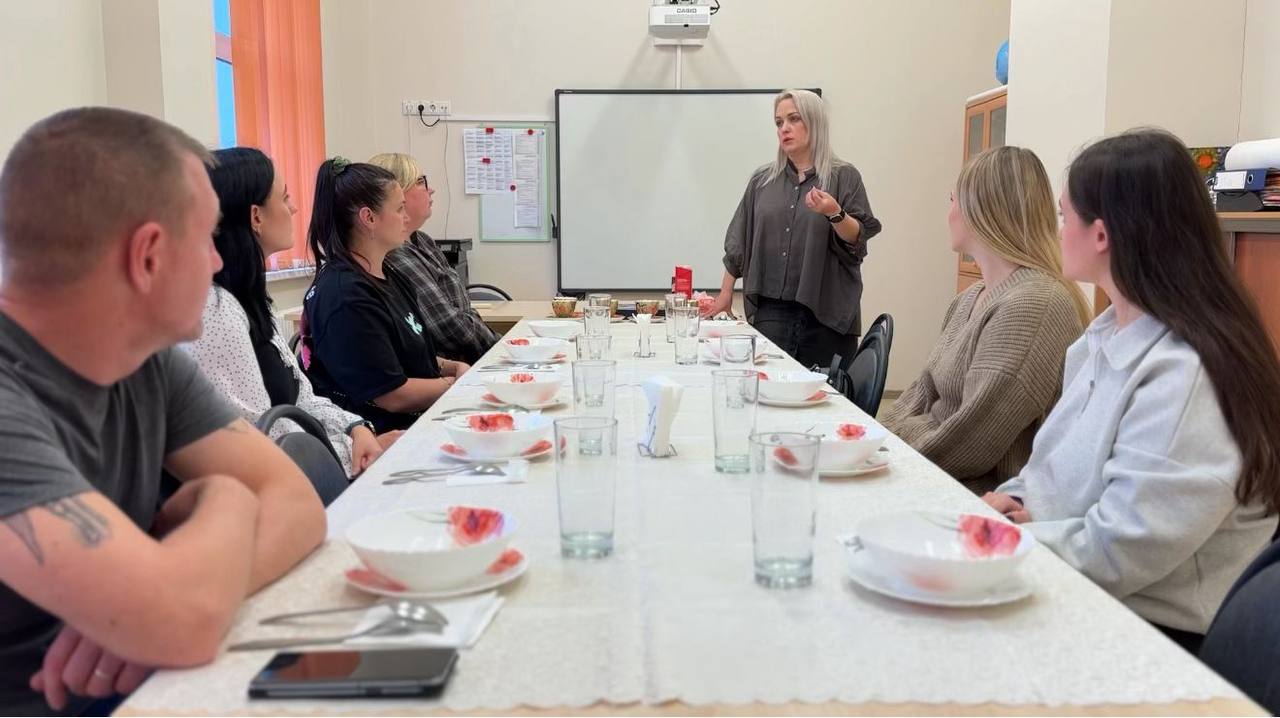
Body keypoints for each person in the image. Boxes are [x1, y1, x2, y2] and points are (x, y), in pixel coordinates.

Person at [0, 108, 326, 715]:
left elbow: (298, 505)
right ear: (148, 255)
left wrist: (167, 604)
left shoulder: (142, 357)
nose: (218, 262)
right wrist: (225, 497)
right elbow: (183, 621)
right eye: (204, 238)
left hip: (155, 685)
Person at [984, 129, 1280, 650]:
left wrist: (1007, 541)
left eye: (1063, 215)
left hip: (1148, 633)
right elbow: (1047, 474)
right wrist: (1010, 503)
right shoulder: (1098, 341)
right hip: (1078, 586)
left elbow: (1122, 548)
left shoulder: (1187, 373)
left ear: (1101, 235)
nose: (1057, 230)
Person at [880, 147, 1089, 493]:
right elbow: (920, 393)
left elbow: (970, 442)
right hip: (931, 476)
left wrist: (887, 456)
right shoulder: (968, 299)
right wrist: (875, 439)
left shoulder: (1034, 304)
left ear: (982, 210)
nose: (947, 214)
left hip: (976, 500)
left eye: (952, 200)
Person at [183, 148, 401, 478]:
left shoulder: (251, 300)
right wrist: (357, 452)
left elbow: (303, 397)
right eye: (284, 199)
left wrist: (358, 429)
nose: (294, 208)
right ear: (256, 217)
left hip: (314, 466)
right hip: (274, 491)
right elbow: (262, 436)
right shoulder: (215, 312)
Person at [705, 88, 882, 369]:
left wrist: (834, 213)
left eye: (793, 119)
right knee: (766, 392)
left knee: (824, 403)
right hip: (771, 313)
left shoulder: (844, 176)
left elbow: (857, 239)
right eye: (778, 122)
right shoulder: (762, 181)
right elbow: (739, 240)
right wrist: (726, 293)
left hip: (826, 316)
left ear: (814, 122)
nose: (784, 128)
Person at [300, 158, 469, 432]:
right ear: (369, 218)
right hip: (383, 437)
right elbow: (393, 395)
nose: (406, 217)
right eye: (400, 208)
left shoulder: (391, 276)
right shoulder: (346, 296)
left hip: (418, 421)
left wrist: (452, 367)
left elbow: (405, 355)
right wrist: (457, 384)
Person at [368, 152, 498, 364]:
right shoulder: (394, 255)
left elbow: (462, 313)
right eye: (421, 181)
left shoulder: (423, 240)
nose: (431, 189)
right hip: (448, 372)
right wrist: (499, 348)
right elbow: (450, 327)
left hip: (462, 365)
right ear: (397, 192)